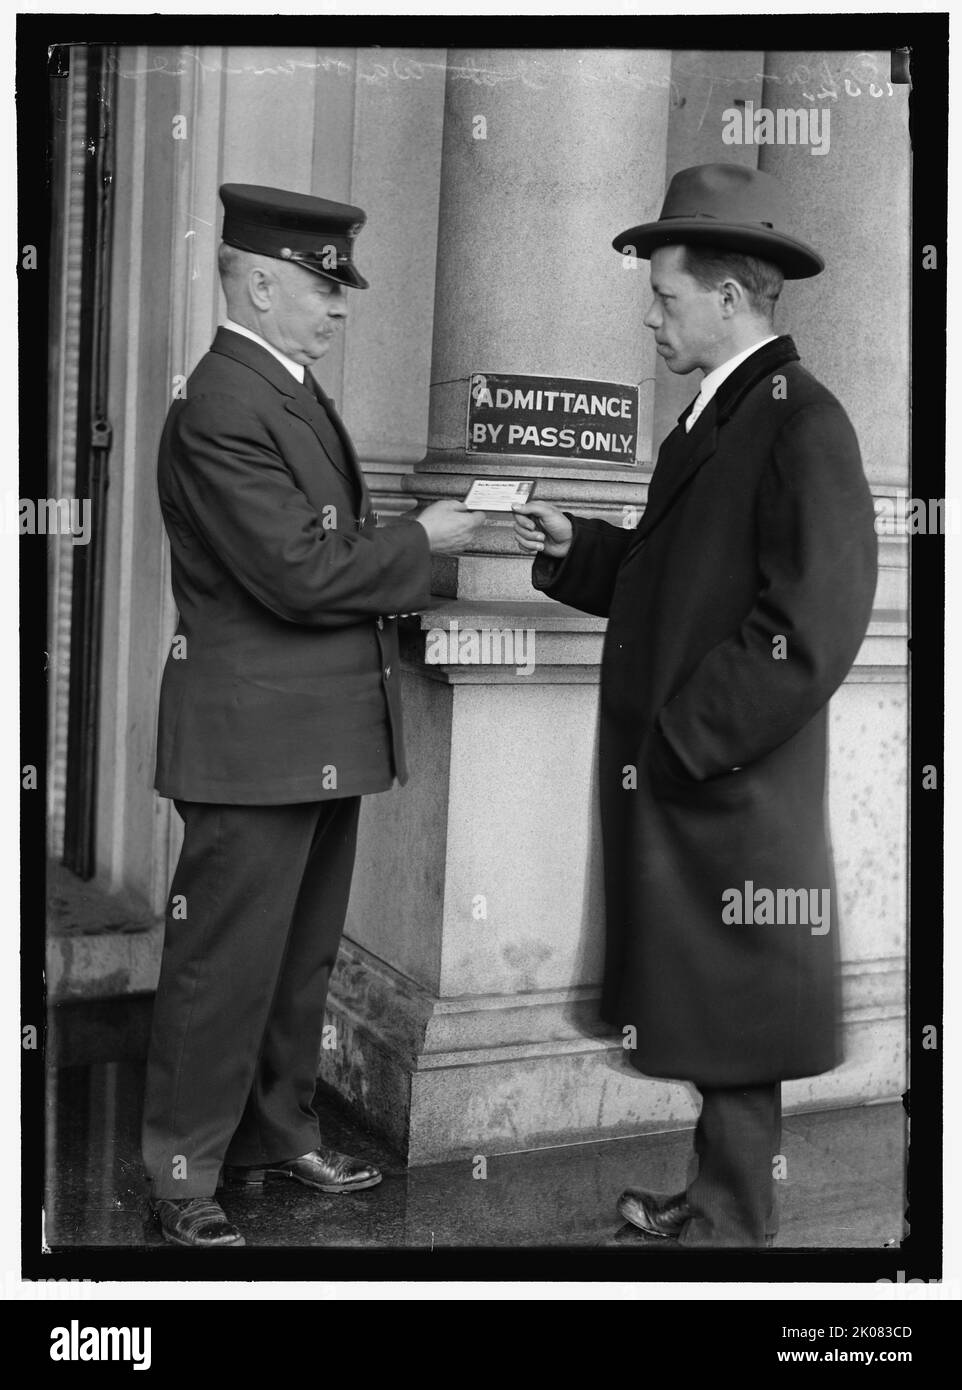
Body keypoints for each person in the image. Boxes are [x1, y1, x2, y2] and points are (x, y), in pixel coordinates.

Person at [513, 164, 878, 1248]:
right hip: (705, 779)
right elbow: (681, 582)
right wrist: (582, 550)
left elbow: (809, 622)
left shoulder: (802, 420)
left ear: (728, 298)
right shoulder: (718, 416)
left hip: (725, 779)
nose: (649, 313)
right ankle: (719, 1200)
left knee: (734, 1009)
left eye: (665, 295)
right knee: (717, 1006)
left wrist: (682, 739)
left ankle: (727, 1230)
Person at [144, 183, 483, 1247]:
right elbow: (296, 571)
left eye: (339, 291)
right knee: (224, 967)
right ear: (255, 282)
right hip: (256, 743)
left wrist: (440, 542)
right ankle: (181, 1171)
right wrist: (427, 540)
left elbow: (325, 554)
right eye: (320, 288)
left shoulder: (278, 387)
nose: (339, 310)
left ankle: (270, 1135)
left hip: (312, 736)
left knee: (296, 958)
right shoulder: (221, 402)